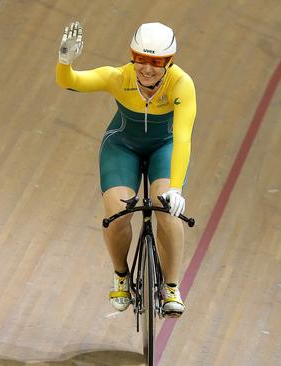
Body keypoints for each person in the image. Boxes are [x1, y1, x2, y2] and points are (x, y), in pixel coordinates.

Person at [55, 21, 196, 317]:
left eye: (156, 62)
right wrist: (65, 63)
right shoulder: (118, 77)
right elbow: (70, 82)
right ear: (131, 55)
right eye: (140, 58)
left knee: (166, 207)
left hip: (164, 149)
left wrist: (175, 188)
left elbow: (182, 137)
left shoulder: (182, 84)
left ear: (170, 62)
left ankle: (171, 285)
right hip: (122, 146)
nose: (147, 68)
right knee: (117, 213)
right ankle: (121, 275)